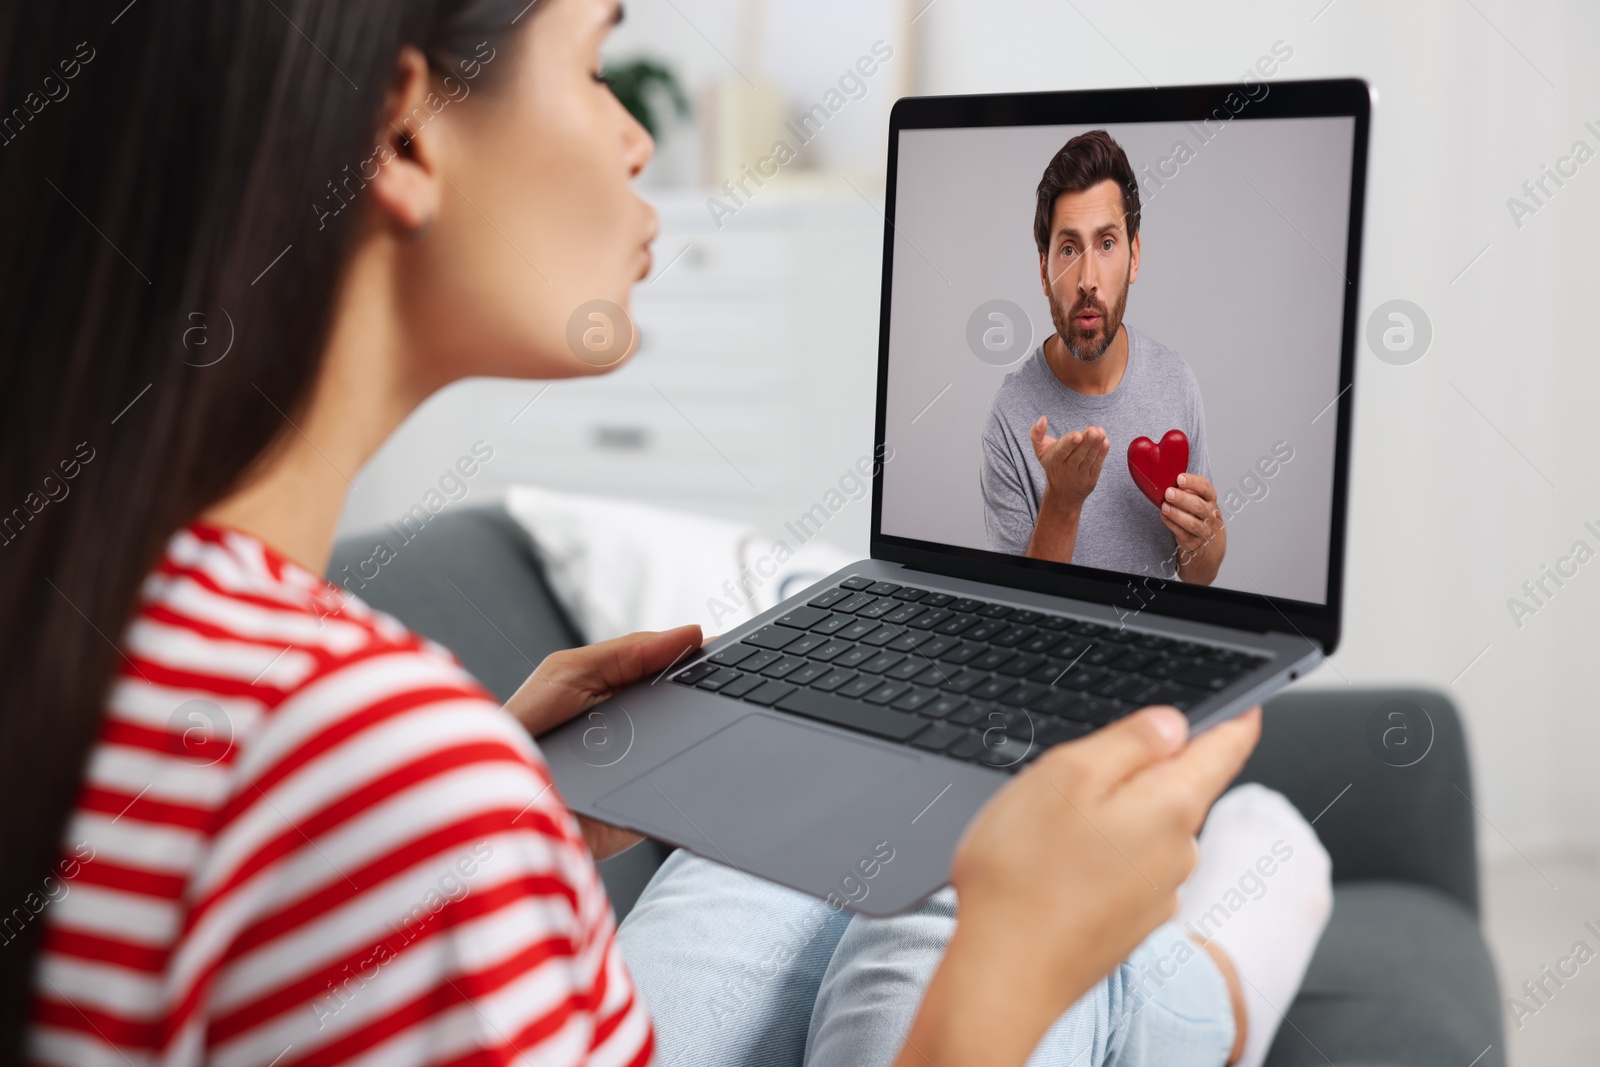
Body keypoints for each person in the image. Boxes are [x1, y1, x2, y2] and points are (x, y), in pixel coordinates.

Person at [0, 3, 1325, 1066]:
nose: (638, 140)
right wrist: (1013, 962)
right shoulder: (382, 766)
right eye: (595, 63)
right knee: (1228, 847)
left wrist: (507, 805)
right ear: (404, 135)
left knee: (817, 855)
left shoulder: (101, 634)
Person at [981, 130, 1228, 585]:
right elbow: (1019, 609)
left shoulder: (1177, 382)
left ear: (1134, 257)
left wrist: (1204, 539)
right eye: (1069, 249)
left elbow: (1199, 577)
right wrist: (1063, 500)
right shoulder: (1009, 417)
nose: (1088, 279)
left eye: (1108, 244)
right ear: (1044, 270)